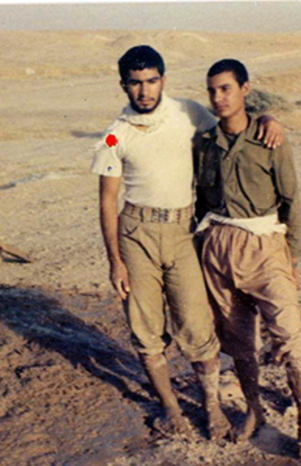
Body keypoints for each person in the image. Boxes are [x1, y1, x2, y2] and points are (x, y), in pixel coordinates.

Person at [91, 46, 283, 440]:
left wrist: (267, 118)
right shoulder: (114, 133)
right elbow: (108, 200)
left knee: (197, 322)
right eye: (135, 83)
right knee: (145, 327)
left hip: (183, 233)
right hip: (136, 236)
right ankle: (172, 411)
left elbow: (233, 122)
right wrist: (115, 261)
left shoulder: (189, 112)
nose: (144, 90)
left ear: (163, 79)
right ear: (123, 85)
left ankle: (212, 407)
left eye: (151, 81)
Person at [194, 59, 301, 460]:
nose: (218, 98)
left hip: (265, 246)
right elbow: (200, 201)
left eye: (226, 89)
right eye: (212, 90)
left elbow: (291, 201)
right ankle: (255, 410)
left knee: (291, 337)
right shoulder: (204, 143)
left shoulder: (269, 138)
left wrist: (292, 259)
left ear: (245, 89)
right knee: (238, 340)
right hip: (218, 246)